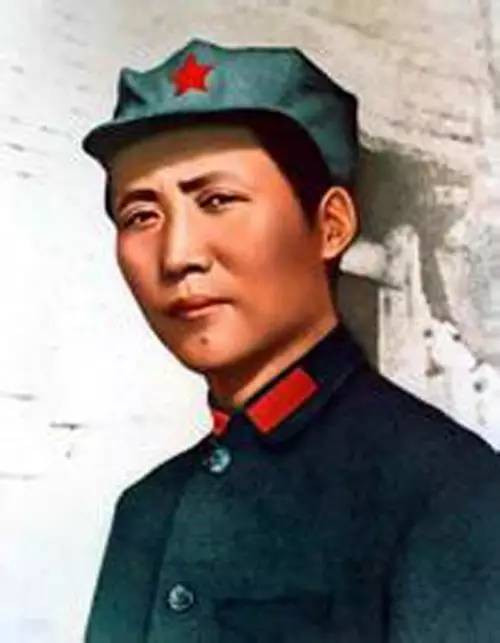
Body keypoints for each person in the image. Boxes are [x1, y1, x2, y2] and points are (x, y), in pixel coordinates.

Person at [82, 39, 500, 642]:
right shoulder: (146, 511)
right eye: (141, 215)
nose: (177, 256)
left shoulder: (449, 490)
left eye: (217, 200)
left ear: (331, 226)